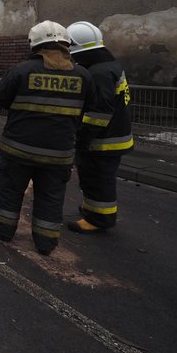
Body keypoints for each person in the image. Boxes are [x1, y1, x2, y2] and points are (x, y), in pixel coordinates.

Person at [0, 20, 95, 255]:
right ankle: (45, 243)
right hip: (58, 155)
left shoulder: (21, 71)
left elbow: (2, 99)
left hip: (18, 150)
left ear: (34, 45)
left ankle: (3, 231)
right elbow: (89, 107)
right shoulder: (83, 76)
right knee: (50, 197)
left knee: (9, 191)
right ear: (66, 46)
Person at [66, 21, 134, 234]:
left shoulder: (98, 74)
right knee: (92, 177)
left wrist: (84, 138)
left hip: (103, 141)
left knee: (98, 179)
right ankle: (91, 209)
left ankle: (99, 219)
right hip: (114, 135)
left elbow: (99, 113)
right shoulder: (110, 65)